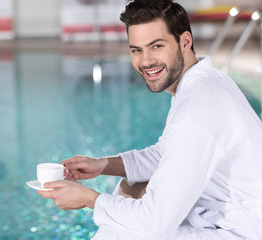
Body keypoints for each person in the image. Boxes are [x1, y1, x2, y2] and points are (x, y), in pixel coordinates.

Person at [37, 0, 262, 239]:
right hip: (224, 212)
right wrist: (102, 165)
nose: (145, 61)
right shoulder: (205, 82)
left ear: (185, 41)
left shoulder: (195, 112)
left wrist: (88, 199)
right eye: (136, 50)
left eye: (156, 46)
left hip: (240, 230)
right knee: (131, 187)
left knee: (120, 230)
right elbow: (166, 154)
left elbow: (155, 223)